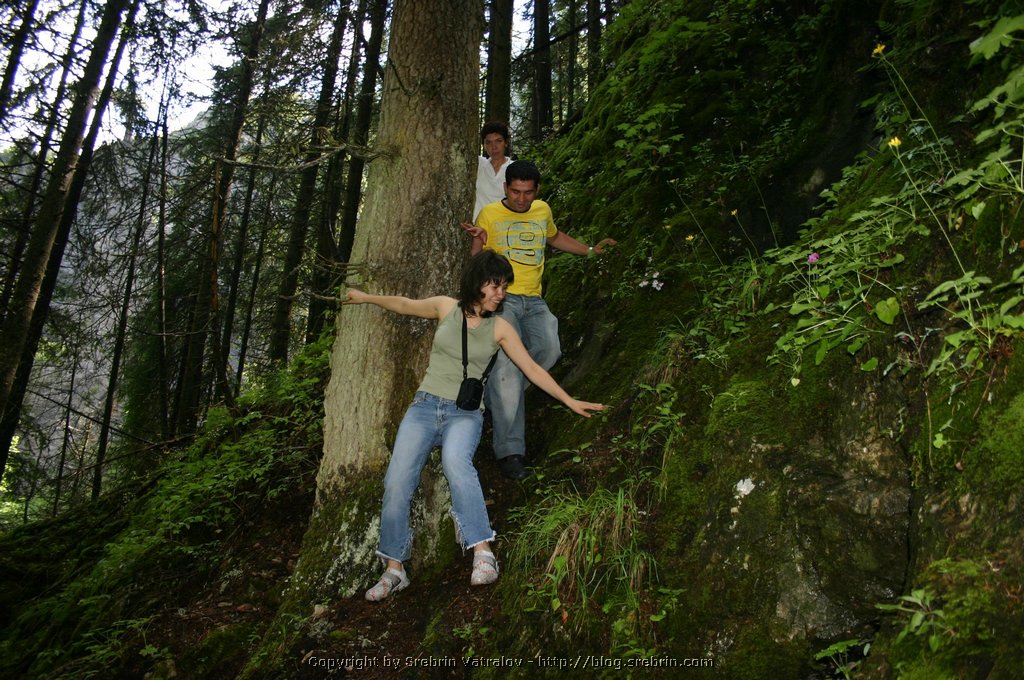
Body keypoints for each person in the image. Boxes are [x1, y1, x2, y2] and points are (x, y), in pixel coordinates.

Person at [343, 251, 607, 601]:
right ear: (476, 283)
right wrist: (366, 298)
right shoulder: (444, 307)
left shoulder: (500, 327)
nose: (501, 293)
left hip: (464, 414)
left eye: (504, 287)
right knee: (396, 481)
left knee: (457, 463)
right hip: (423, 408)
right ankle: (394, 569)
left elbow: (532, 369)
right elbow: (405, 304)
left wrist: (569, 400)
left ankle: (483, 552)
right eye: (495, 286)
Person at [460, 160, 616, 480]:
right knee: (506, 367)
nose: (521, 199)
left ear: (536, 191)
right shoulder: (489, 214)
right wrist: (478, 238)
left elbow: (555, 238)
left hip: (534, 301)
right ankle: (510, 451)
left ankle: (500, 396)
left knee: (550, 349)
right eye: (515, 191)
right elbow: (476, 261)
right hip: (503, 300)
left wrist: (590, 251)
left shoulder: (542, 210)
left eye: (527, 193)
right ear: (505, 188)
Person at [473, 121, 513, 221]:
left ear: (506, 142)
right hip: (478, 227)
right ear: (484, 145)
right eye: (488, 142)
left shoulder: (514, 168)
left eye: (498, 141)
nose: (493, 147)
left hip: (503, 227)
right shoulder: (478, 164)